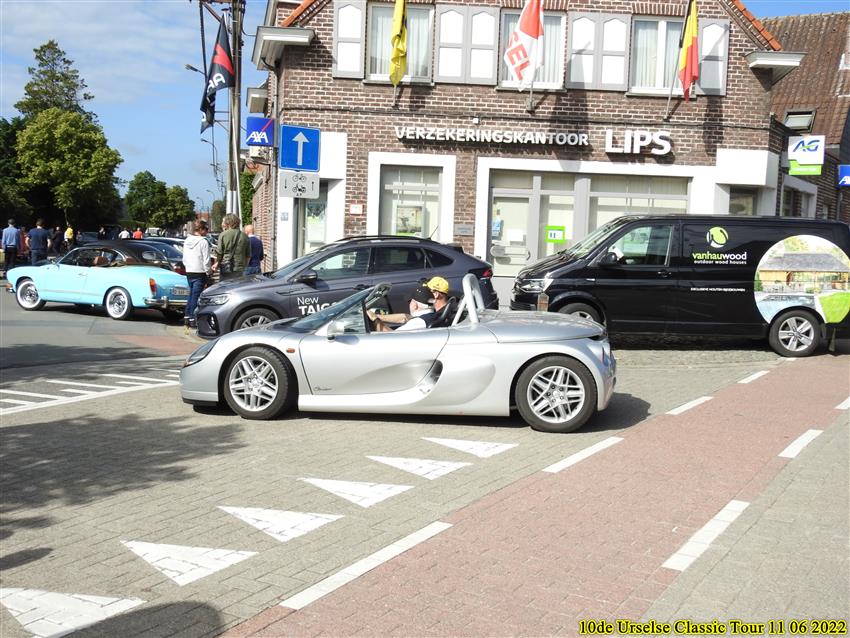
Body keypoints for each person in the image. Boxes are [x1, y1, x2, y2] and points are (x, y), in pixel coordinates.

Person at [369, 277, 453, 332]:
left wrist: (374, 320)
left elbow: (390, 337)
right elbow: (406, 317)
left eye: (429, 290)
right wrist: (379, 317)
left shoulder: (420, 321)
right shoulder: (437, 314)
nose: (426, 291)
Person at [182, 220, 213, 329]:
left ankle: (187, 316)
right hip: (199, 271)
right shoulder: (203, 242)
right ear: (200, 229)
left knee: (191, 294)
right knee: (196, 296)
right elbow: (206, 259)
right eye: (206, 229)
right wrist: (208, 271)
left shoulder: (187, 241)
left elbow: (184, 258)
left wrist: (187, 266)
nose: (207, 232)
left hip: (189, 270)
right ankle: (192, 318)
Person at [213, 214, 250, 280]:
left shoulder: (223, 235)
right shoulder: (245, 236)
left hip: (226, 267)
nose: (222, 224)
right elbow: (248, 255)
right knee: (238, 285)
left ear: (228, 222)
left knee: (225, 285)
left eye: (223, 221)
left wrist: (217, 263)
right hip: (240, 268)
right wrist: (244, 266)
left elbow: (219, 253)